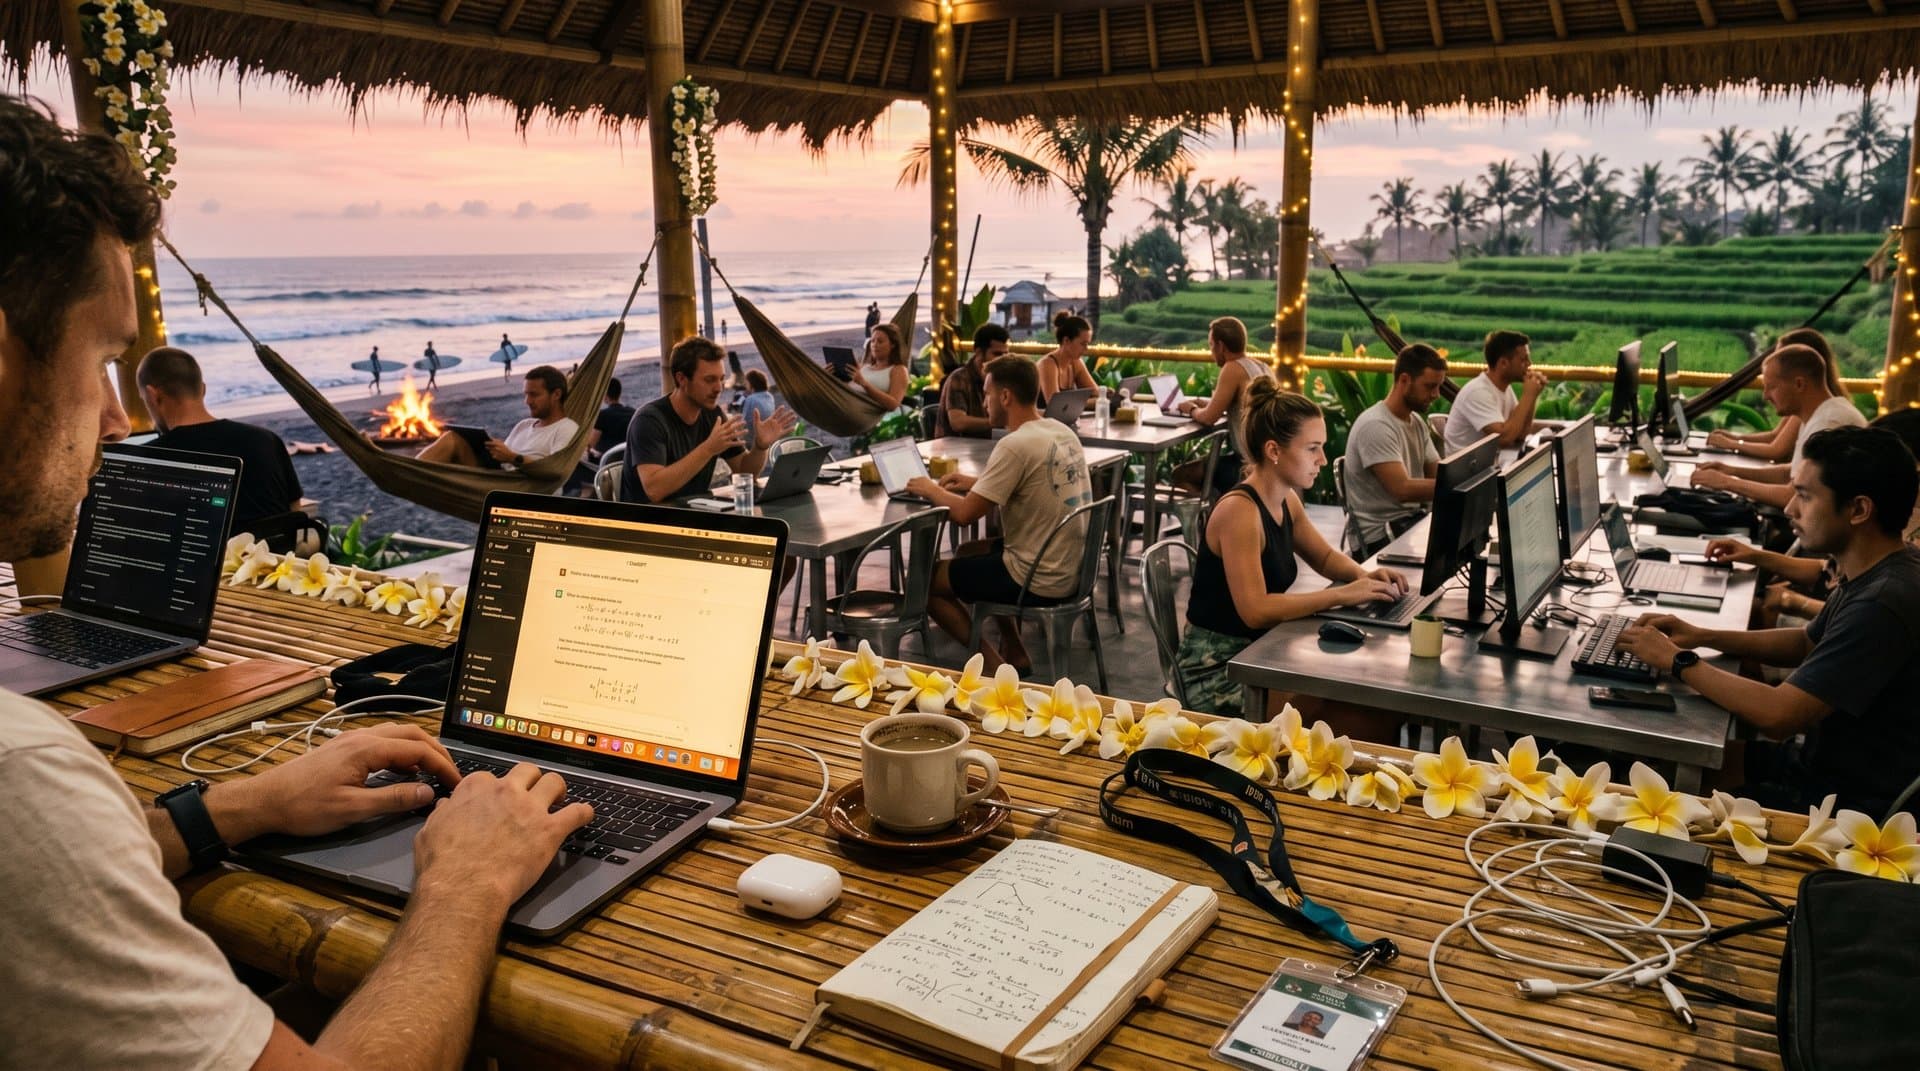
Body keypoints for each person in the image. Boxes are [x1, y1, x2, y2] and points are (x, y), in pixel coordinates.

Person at [0, 90, 595, 1070]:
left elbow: (52, 878)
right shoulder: (24, 779)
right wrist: (466, 887)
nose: (116, 420)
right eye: (102, 360)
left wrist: (235, 808)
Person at [1618, 426, 1920, 817]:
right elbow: (1807, 642)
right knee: (1656, 760)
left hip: (1836, 806)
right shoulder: (1885, 568)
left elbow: (1778, 716)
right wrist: (1701, 635)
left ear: (1859, 510)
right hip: (1817, 765)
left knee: (1644, 787)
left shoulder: (1883, 603)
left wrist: (1677, 661)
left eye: (1806, 496)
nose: (1790, 508)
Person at [1176, 382, 1404, 716]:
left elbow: (1324, 558)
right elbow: (1255, 610)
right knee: (1356, 706)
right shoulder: (1240, 511)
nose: (1322, 460)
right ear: (1274, 451)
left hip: (1259, 652)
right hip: (1219, 669)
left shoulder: (1286, 501)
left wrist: (1366, 577)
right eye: (1312, 448)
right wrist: (1342, 595)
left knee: (1365, 697)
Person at [909, 356, 1092, 672]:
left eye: (987, 393)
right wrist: (975, 483)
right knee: (969, 552)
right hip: (1072, 567)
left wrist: (929, 488)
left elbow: (965, 514)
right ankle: (1017, 653)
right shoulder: (1058, 430)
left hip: (1037, 576)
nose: (984, 402)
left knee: (923, 584)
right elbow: (1026, 481)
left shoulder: (1015, 444)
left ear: (1005, 396)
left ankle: (995, 669)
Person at [1703, 408, 1920, 623]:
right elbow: (1828, 571)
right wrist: (1754, 555)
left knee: (1749, 609)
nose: (1790, 509)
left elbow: (1845, 619)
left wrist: (1794, 602)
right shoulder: (1887, 552)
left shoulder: (1883, 594)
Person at [136, 346, 304, 533]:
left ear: (153, 395)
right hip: (278, 559)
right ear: (203, 389)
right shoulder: (266, 439)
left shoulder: (144, 459)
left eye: (143, 400)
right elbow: (294, 511)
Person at [1689, 344, 1866, 509]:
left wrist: (1728, 482)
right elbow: (1790, 474)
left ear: (1799, 384)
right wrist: (1731, 471)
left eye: (1771, 387)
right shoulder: (1820, 414)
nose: (1765, 396)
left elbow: (1794, 496)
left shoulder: (1828, 424)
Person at [623, 335, 796, 503]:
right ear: (681, 379)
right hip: (648, 524)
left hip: (695, 518)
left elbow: (744, 471)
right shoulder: (649, 421)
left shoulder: (712, 414)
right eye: (709, 380)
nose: (719, 388)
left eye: (721, 379)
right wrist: (708, 449)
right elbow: (654, 490)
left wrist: (760, 446)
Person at [1344, 343, 1449, 556]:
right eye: (1430, 386)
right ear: (1404, 380)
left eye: (1439, 386)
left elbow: (1438, 474)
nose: (1436, 394)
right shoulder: (1376, 425)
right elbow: (1402, 490)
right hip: (1381, 536)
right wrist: (1457, 485)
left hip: (1409, 522)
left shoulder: (1416, 422)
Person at [1705, 328, 1842, 461]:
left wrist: (1731, 444)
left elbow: (1777, 450)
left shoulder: (1812, 405)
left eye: (1782, 357)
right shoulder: (1814, 401)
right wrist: (1733, 438)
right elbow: (1774, 435)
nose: (1765, 396)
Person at [1176, 316, 1276, 492]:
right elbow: (1240, 403)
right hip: (1267, 462)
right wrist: (1207, 402)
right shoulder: (1262, 367)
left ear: (1221, 346)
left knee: (1180, 474)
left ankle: (1216, 512)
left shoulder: (1232, 368)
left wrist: (1191, 409)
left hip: (1245, 464)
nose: (1211, 351)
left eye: (1211, 345)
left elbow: (1208, 418)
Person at [416, 365, 579, 470]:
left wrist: (512, 457)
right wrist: (495, 449)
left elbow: (556, 470)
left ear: (556, 394)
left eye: (534, 395)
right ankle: (410, 471)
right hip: (497, 474)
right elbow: (503, 459)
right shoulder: (524, 425)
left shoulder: (566, 428)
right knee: (452, 438)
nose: (527, 401)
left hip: (517, 487)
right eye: (526, 395)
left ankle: (410, 474)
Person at [1443, 329, 1545, 453]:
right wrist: (1528, 395)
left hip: (1490, 466)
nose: (1529, 364)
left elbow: (1521, 433)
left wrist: (1533, 396)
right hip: (1468, 470)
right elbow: (1503, 438)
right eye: (1523, 360)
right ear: (1503, 363)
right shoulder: (1478, 392)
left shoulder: (1505, 388)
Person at [939, 323, 1008, 438]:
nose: (1003, 359)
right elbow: (958, 423)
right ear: (978, 352)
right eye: (997, 354)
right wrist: (996, 421)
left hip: (987, 445)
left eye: (1006, 354)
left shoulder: (1002, 378)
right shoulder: (959, 378)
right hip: (955, 450)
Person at [1037, 311, 1098, 407]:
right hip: (1042, 421)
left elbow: (1096, 394)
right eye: (1083, 344)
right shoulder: (1047, 364)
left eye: (1087, 344)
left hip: (1061, 421)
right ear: (1066, 341)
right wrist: (1087, 402)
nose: (1086, 349)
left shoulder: (1076, 362)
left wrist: (1103, 396)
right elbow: (1056, 406)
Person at [846, 321, 909, 412]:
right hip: (847, 406)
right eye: (872, 341)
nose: (875, 345)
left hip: (865, 416)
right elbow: (847, 387)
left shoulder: (898, 370)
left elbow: (893, 404)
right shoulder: (864, 366)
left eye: (880, 341)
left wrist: (864, 384)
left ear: (892, 345)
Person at [587, 376, 634, 464]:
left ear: (605, 396)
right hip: (628, 459)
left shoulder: (602, 415)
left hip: (607, 462)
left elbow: (590, 444)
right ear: (619, 393)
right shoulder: (633, 412)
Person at [741, 369, 778, 443]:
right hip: (768, 435)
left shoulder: (750, 399)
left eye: (747, 383)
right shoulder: (770, 396)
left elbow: (743, 422)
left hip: (752, 440)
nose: (745, 385)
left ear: (752, 384)